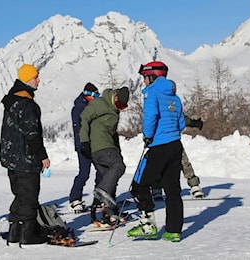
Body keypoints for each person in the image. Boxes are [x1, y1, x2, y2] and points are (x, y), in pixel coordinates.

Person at [127, 61, 185, 242]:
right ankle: (173, 231)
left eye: (144, 77)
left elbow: (151, 116)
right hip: (175, 145)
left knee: (139, 184)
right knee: (172, 189)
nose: (143, 81)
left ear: (152, 76)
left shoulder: (151, 93)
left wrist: (148, 135)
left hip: (158, 145)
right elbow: (181, 123)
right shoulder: (175, 97)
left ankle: (148, 226)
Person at [0, 64, 50, 246]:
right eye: (36, 77)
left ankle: (15, 231)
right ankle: (28, 234)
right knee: (29, 195)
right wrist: (42, 156)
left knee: (19, 194)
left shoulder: (12, 101)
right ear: (27, 79)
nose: (38, 80)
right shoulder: (26, 103)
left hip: (11, 157)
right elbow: (32, 133)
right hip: (25, 157)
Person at [79, 86, 129, 225]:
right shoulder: (99, 103)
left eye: (123, 107)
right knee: (119, 167)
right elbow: (84, 117)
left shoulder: (115, 111)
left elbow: (113, 134)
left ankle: (109, 213)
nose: (119, 108)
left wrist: (118, 150)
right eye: (119, 105)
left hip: (108, 146)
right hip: (100, 146)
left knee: (109, 178)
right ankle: (102, 191)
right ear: (115, 97)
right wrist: (84, 142)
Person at [68, 82, 103, 213]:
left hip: (94, 145)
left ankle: (99, 198)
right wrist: (83, 144)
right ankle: (74, 199)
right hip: (83, 145)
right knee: (84, 173)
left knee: (101, 172)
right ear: (89, 95)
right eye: (96, 95)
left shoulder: (91, 106)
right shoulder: (79, 108)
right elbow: (79, 129)